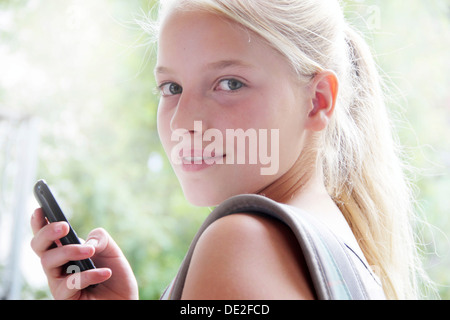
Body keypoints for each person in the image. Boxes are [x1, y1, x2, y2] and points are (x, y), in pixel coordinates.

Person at [30, 0, 426, 300]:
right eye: (171, 88)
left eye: (229, 83)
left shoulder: (240, 241)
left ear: (317, 101)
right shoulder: (342, 247)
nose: (182, 122)